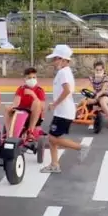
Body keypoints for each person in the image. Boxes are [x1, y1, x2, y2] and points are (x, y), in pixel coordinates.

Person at [42, 44, 89, 174]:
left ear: (63, 60)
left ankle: (80, 147)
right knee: (52, 138)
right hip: (62, 112)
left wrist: (55, 104)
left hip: (63, 112)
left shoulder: (63, 73)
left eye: (56, 59)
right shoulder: (64, 72)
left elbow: (67, 90)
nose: (53, 62)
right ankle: (54, 164)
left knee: (52, 138)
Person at [7, 66, 45, 137]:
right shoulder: (21, 89)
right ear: (25, 79)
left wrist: (33, 95)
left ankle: (30, 131)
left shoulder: (39, 90)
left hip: (34, 116)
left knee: (37, 102)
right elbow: (16, 103)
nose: (32, 79)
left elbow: (42, 107)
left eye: (34, 77)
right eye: (29, 78)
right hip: (22, 114)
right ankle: (8, 132)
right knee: (7, 108)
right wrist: (12, 108)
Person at [87, 60, 108, 128]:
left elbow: (103, 90)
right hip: (97, 95)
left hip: (105, 95)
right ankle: (85, 116)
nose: (98, 71)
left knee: (102, 102)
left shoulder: (105, 78)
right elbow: (87, 85)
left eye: (100, 70)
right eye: (97, 70)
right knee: (86, 101)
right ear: (94, 70)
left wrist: (98, 95)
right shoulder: (93, 78)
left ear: (103, 70)